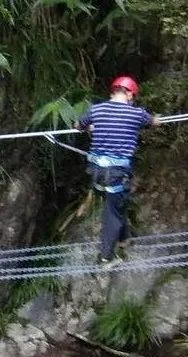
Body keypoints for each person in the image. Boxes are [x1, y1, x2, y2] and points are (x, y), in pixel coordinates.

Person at [75, 75, 160, 265]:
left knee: (117, 203)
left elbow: (78, 126)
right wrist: (157, 119)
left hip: (96, 173)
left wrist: (91, 128)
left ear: (112, 92)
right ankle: (106, 258)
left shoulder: (96, 109)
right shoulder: (137, 114)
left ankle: (124, 239)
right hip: (116, 174)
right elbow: (154, 122)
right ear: (130, 94)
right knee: (112, 212)